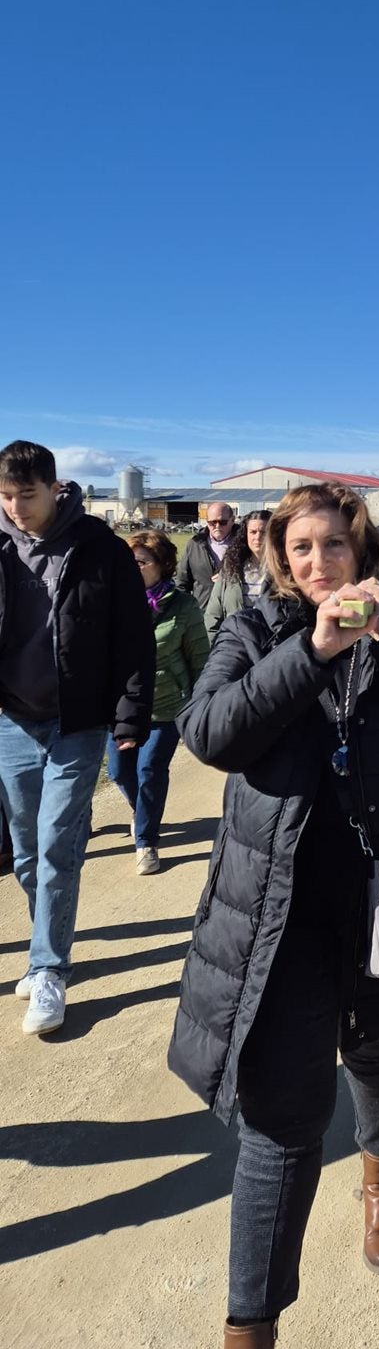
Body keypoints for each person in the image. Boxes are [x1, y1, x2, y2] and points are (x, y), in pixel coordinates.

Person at [168, 481, 379, 1349]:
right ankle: (252, 1328)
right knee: (280, 1123)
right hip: (282, 919)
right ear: (280, 556)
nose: (319, 562)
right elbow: (210, 733)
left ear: (364, 551)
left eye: (335, 546)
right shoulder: (257, 629)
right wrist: (309, 654)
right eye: (302, 548)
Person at [0, 439, 154, 1035]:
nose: (16, 508)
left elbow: (133, 638)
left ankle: (48, 969)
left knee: (59, 845)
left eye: (27, 496)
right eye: (6, 496)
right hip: (11, 717)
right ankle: (49, 937)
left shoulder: (101, 550)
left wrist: (130, 716)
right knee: (24, 851)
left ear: (56, 487)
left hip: (79, 720)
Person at [106, 529, 209, 875]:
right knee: (120, 773)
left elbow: (200, 659)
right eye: (129, 561)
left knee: (149, 770)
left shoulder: (182, 606)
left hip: (166, 707)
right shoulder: (112, 601)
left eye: (141, 562)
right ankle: (142, 814)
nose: (133, 568)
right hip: (119, 708)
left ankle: (146, 841)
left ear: (162, 565)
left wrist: (199, 703)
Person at [204, 510, 272, 640]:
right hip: (234, 644)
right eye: (253, 532)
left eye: (263, 532)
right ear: (245, 534)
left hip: (271, 648)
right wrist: (215, 647)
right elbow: (213, 614)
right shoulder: (231, 567)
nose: (257, 537)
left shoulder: (284, 570)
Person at [177, 502, 238, 609]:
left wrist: (232, 577)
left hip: (234, 613)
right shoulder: (195, 544)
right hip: (203, 612)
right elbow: (182, 581)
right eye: (212, 522)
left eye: (222, 522)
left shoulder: (244, 543)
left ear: (232, 520)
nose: (217, 526)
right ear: (207, 522)